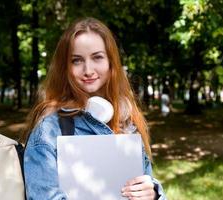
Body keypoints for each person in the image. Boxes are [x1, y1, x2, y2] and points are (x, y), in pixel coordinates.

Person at [21, 17, 166, 200]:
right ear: (65, 67)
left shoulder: (128, 122)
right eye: (76, 60)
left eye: (97, 57)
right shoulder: (49, 129)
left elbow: (146, 184)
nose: (88, 70)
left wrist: (153, 193)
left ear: (111, 62)